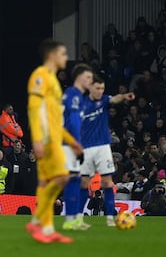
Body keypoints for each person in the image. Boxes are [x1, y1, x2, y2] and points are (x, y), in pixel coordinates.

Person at [25, 39, 84, 244]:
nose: (66, 58)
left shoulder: (53, 79)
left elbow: (55, 118)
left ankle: (47, 229)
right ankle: (37, 221)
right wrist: (37, 140)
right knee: (62, 178)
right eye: (63, 54)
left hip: (56, 137)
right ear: (52, 55)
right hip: (47, 138)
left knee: (46, 182)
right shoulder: (40, 75)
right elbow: (34, 108)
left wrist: (71, 141)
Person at [79, 74, 135, 226]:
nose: (100, 91)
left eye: (102, 89)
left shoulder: (104, 100)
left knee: (108, 181)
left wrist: (124, 96)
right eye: (97, 88)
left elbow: (114, 99)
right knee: (84, 182)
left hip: (103, 146)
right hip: (88, 147)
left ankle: (110, 217)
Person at [62, 63, 94, 231]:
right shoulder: (72, 94)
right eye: (88, 77)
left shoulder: (80, 97)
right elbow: (73, 121)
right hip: (71, 144)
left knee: (82, 182)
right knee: (74, 180)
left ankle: (77, 217)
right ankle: (71, 219)